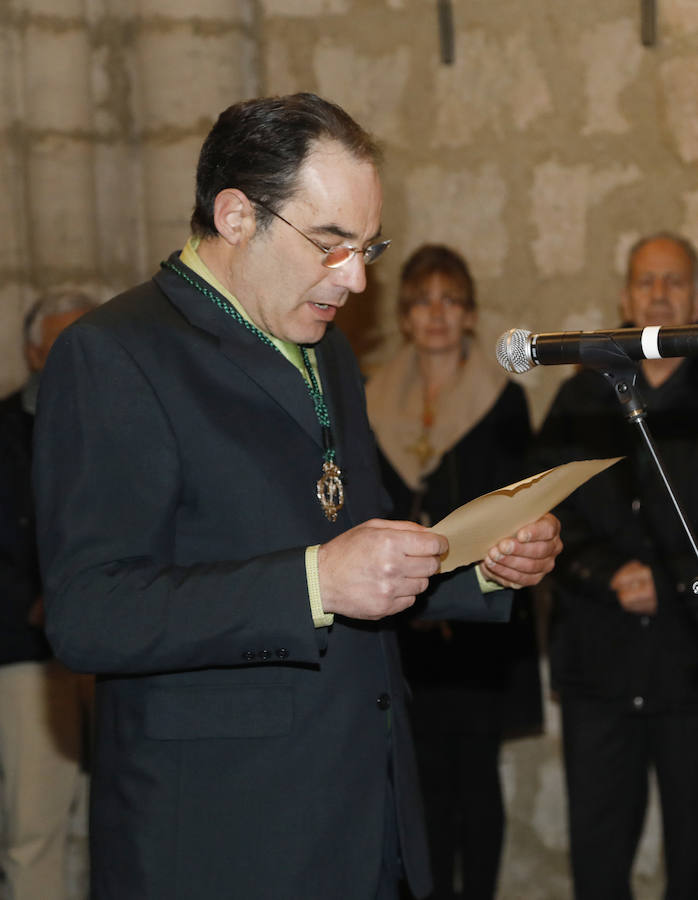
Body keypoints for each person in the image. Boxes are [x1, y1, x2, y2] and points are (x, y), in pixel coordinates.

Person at [32, 93, 562, 900]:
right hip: (225, 835)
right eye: (329, 244)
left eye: (367, 246)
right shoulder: (116, 355)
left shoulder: (328, 352)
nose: (353, 278)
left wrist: (482, 565)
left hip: (363, 815)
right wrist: (312, 582)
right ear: (237, 214)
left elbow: (362, 553)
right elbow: (90, 612)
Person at [366, 244, 543, 899]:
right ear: (405, 315)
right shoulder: (370, 395)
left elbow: (515, 505)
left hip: (478, 623)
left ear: (469, 315)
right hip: (402, 619)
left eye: (450, 299)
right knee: (419, 781)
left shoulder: (504, 401)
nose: (435, 313)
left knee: (476, 777)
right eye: (420, 300)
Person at [535, 232, 698, 900]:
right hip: (597, 667)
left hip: (691, 669)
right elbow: (542, 514)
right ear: (625, 297)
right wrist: (605, 574)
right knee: (599, 865)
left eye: (675, 281)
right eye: (645, 281)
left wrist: (669, 581)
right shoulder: (579, 399)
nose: (659, 294)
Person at [0, 290, 97, 900]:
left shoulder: (119, 417)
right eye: (65, 342)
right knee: (35, 827)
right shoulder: (4, 431)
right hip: (26, 654)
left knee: (95, 824)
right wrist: (40, 596)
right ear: (34, 351)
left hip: (106, 647)